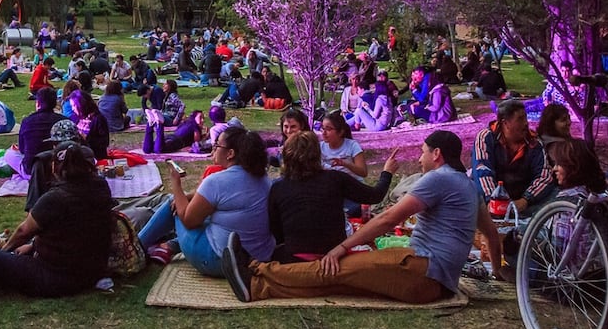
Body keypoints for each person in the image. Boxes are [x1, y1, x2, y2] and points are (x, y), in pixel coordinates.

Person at [224, 130, 505, 303]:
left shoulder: (438, 179)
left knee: (333, 269)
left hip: (422, 270)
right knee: (338, 280)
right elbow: (492, 236)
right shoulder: (468, 185)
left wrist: (342, 247)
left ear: (437, 154)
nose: (420, 159)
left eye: (422, 153)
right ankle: (258, 285)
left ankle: (256, 275)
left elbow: (387, 219)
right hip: (433, 279)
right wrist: (500, 274)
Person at [0, 140, 114, 297]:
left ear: (55, 166)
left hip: (57, 278)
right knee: (24, 248)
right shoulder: (101, 186)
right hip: (92, 271)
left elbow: (23, 231)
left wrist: (5, 251)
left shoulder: (55, 198)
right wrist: (33, 246)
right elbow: (75, 229)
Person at [137, 126, 276, 274]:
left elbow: (188, 220)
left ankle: (136, 247)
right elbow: (212, 198)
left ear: (230, 153)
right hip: (258, 257)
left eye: (217, 145)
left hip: (219, 260)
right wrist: (187, 196)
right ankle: (163, 246)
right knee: (197, 208)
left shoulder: (216, 181)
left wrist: (176, 184)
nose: (213, 148)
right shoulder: (263, 178)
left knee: (173, 201)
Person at [268, 132, 398, 263]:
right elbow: (375, 196)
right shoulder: (334, 178)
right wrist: (387, 172)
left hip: (295, 257)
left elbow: (276, 230)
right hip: (334, 257)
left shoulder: (278, 187)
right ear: (317, 155)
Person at [471, 99, 556, 216]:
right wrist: (493, 201)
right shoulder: (486, 138)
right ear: (505, 123)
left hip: (522, 199)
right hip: (491, 200)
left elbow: (544, 176)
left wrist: (525, 200)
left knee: (554, 195)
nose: (526, 123)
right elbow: (482, 170)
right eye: (520, 119)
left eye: (525, 118)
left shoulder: (534, 143)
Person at [4, 87, 64, 179]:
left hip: (34, 170)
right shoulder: (64, 120)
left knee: (9, 154)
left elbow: (23, 149)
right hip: (61, 168)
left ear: (38, 103)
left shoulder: (28, 121)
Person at [68, 90, 109, 159]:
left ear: (82, 105)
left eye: (74, 105)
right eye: (72, 106)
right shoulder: (75, 118)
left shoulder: (98, 119)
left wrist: (86, 139)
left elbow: (105, 142)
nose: (72, 108)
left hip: (94, 155)